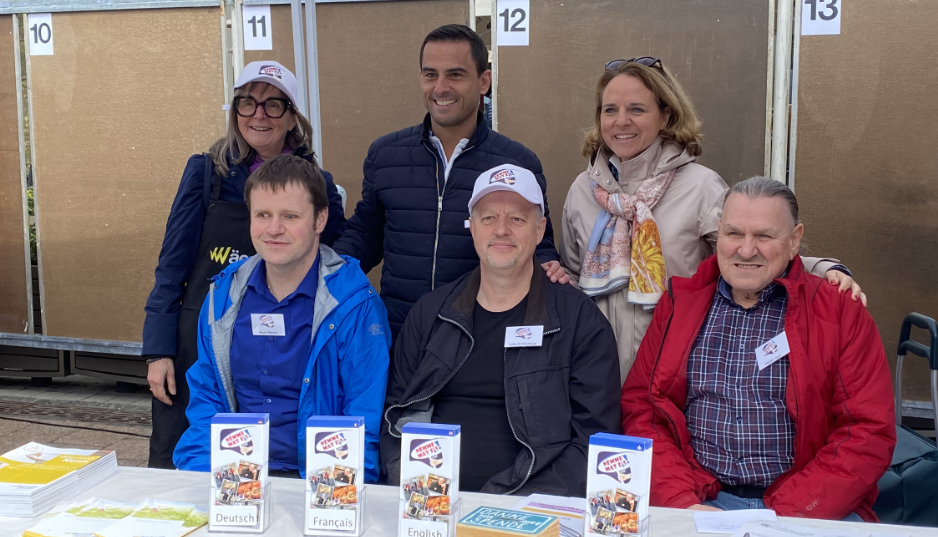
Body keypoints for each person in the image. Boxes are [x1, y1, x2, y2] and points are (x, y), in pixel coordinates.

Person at [560, 59, 864, 381]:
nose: (621, 121)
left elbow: (749, 252)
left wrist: (822, 269)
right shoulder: (583, 190)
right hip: (595, 369)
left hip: (676, 367)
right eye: (610, 110)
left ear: (665, 115)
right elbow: (571, 274)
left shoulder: (700, 186)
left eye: (636, 109)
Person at [620, 177, 895, 521]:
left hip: (807, 507)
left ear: (794, 241)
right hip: (698, 499)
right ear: (718, 232)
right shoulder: (680, 304)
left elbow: (866, 432)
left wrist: (789, 513)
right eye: (734, 233)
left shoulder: (839, 311)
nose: (746, 250)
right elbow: (643, 409)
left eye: (764, 236)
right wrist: (680, 501)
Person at [142, 61, 347, 469]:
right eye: (247, 103)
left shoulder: (316, 184)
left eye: (273, 105)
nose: (258, 114)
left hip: (280, 347)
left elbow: (336, 262)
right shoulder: (206, 172)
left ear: (292, 117)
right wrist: (158, 350)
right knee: (183, 453)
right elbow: (172, 264)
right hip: (201, 341)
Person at [381, 165, 621, 497]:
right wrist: (415, 489)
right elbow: (395, 418)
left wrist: (504, 505)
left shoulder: (580, 322)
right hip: (430, 503)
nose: (502, 230)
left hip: (531, 509)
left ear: (539, 231)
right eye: (488, 218)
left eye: (518, 219)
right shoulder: (430, 314)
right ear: (473, 229)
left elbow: (593, 444)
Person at [333, 24, 569, 339]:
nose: (440, 87)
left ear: (483, 81)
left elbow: (538, 243)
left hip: (478, 340)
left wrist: (550, 265)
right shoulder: (385, 155)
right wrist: (327, 272)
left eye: (455, 75)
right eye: (430, 74)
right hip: (400, 337)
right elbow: (366, 234)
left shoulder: (517, 163)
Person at [172, 155, 389, 481]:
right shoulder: (223, 297)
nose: (274, 229)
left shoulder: (355, 306)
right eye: (263, 215)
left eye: (290, 216)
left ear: (320, 219)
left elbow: (364, 420)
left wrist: (334, 504)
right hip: (235, 481)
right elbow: (207, 400)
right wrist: (203, 480)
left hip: (320, 484)